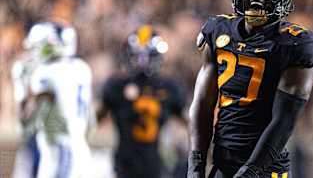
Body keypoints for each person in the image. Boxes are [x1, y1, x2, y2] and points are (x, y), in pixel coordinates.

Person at [188, 0, 313, 178]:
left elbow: (284, 120)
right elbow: (202, 103)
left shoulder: (297, 43)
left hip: (265, 168)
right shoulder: (218, 31)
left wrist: (250, 172)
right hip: (223, 165)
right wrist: (196, 164)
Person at [97, 25, 186, 178]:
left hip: (132, 165)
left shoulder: (117, 85)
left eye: (146, 56)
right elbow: (191, 123)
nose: (142, 61)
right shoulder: (168, 88)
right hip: (145, 165)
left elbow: (96, 119)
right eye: (138, 56)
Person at [12, 21, 94, 178]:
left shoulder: (46, 74)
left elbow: (27, 123)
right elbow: (90, 123)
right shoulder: (82, 68)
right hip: (80, 149)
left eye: (38, 46)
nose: (33, 52)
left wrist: (21, 90)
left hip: (59, 153)